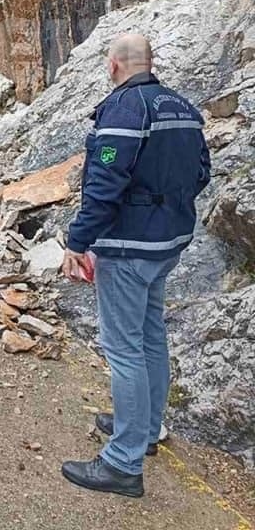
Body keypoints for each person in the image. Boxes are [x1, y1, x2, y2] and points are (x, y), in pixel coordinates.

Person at [60, 33, 211, 498]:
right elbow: (202, 170)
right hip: (168, 243)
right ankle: (146, 429)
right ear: (151, 60)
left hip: (128, 247)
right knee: (149, 337)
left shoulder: (125, 110)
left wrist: (77, 241)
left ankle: (122, 463)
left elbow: (103, 183)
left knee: (123, 349)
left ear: (113, 65)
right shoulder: (182, 106)